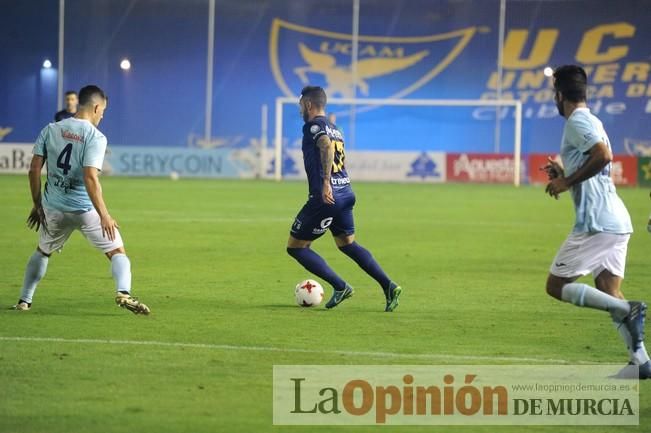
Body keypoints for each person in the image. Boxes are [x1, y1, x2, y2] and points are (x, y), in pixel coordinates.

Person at [543, 65, 649, 378]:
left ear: (560, 95)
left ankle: (626, 309)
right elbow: (597, 161)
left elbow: (603, 156)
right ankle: (641, 363)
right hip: (617, 220)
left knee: (556, 285)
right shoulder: (593, 121)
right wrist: (565, 175)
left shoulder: (577, 120)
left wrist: (565, 182)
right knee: (608, 289)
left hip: (596, 222)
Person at [12, 85, 150, 315]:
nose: (103, 115)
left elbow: (34, 169)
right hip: (85, 210)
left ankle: (24, 301)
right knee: (117, 252)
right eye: (103, 110)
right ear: (96, 107)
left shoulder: (51, 128)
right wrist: (105, 215)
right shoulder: (95, 136)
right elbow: (90, 177)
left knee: (42, 251)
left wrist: (38, 205)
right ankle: (123, 293)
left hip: (53, 208)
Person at [286, 86, 402, 311]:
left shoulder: (314, 126)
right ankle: (389, 286)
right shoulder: (334, 127)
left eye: (301, 105)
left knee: (296, 247)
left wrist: (326, 183)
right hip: (346, 193)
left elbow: (326, 147)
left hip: (325, 197)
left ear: (308, 105)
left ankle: (340, 286)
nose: (301, 109)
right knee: (347, 244)